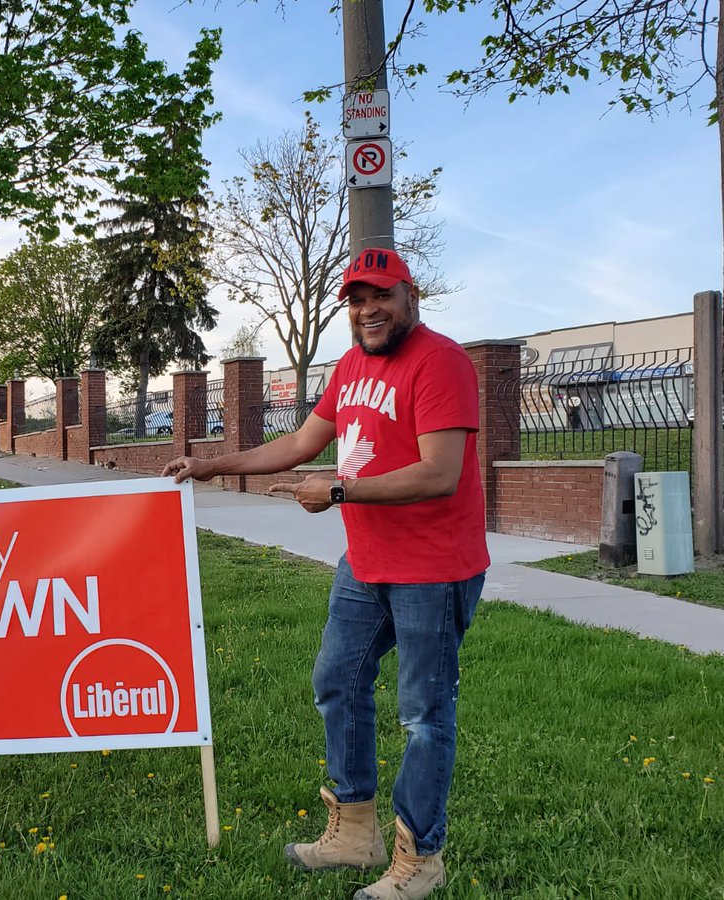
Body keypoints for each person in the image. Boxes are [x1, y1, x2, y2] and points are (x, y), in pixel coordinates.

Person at [163, 248, 488, 900]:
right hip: (367, 564)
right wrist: (210, 465)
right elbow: (299, 444)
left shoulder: (440, 361)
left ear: (409, 294)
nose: (369, 309)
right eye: (356, 299)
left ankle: (420, 857)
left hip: (432, 568)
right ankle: (356, 830)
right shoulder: (350, 365)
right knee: (336, 682)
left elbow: (439, 472)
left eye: (381, 295)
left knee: (424, 715)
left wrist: (339, 492)